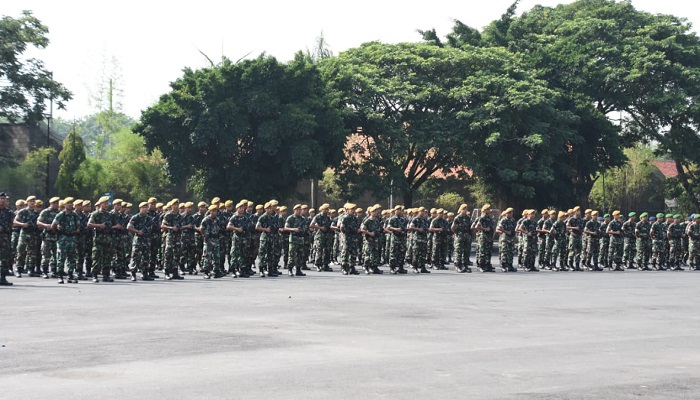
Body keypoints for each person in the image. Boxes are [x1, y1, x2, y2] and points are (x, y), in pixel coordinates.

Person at [52, 197, 81, 284]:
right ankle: (60, 276)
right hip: (63, 238)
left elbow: (78, 226)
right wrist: (59, 233)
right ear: (64, 205)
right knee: (61, 258)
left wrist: (76, 230)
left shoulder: (75, 215)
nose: (70, 205)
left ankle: (70, 275)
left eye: (71, 203)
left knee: (72, 258)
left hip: (72, 238)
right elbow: (53, 225)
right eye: (68, 203)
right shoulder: (60, 214)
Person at [88, 196, 114, 282]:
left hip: (108, 239)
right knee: (96, 257)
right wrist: (99, 225)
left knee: (107, 258)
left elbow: (113, 225)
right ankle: (94, 275)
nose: (107, 205)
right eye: (105, 204)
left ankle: (106, 275)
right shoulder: (95, 214)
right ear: (100, 204)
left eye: (107, 203)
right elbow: (89, 224)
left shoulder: (109, 215)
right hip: (98, 239)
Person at [227, 200, 252, 278]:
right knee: (234, 254)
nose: (242, 209)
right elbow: (228, 226)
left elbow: (249, 227)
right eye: (240, 208)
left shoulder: (245, 218)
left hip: (244, 239)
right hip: (237, 238)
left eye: (243, 208)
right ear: (237, 209)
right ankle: (233, 270)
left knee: (243, 254)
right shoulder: (234, 217)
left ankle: (242, 270)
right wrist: (237, 229)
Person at [473, 204, 495, 272]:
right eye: (488, 209)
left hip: (489, 237)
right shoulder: (482, 218)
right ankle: (481, 266)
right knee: (482, 252)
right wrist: (485, 229)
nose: (489, 211)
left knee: (488, 252)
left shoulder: (489, 218)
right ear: (485, 210)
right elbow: (476, 227)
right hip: (483, 237)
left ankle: (487, 265)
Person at [452, 204, 473, 273]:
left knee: (466, 251)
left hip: (467, 236)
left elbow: (470, 226)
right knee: (459, 251)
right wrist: (457, 234)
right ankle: (458, 265)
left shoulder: (468, 218)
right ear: (461, 210)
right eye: (464, 209)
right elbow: (453, 228)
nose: (465, 210)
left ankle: (465, 265)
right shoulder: (457, 218)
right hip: (460, 236)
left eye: (466, 209)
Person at [496, 208, 516, 272]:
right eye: (509, 213)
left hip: (511, 238)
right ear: (506, 214)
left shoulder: (513, 220)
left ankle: (510, 265)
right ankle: (503, 265)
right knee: (504, 252)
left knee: (511, 252)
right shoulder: (503, 220)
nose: (510, 214)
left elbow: (515, 228)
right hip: (505, 238)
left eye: (511, 213)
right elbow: (499, 228)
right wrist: (506, 232)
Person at [0, 192, 14, 286]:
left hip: (4, 237)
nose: (3, 200)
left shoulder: (9, 212)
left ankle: (2, 278)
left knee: (4, 258)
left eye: (4, 198)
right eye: (1, 198)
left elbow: (13, 223)